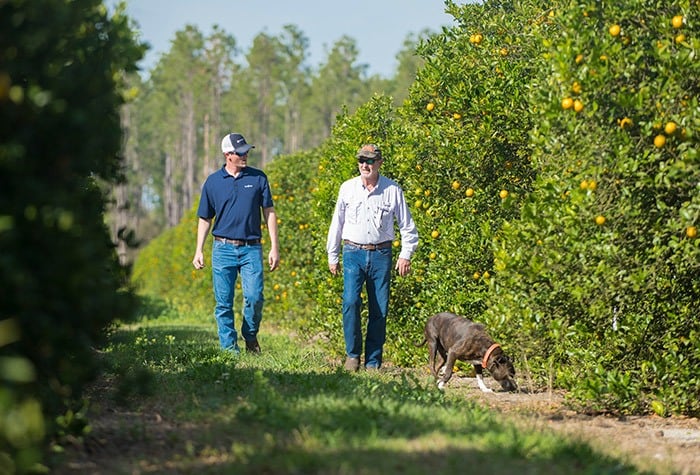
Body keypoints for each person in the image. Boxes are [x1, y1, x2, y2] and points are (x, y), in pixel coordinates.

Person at [326, 144, 419, 371]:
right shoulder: (347, 188)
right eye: (361, 161)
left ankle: (373, 361)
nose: (364, 165)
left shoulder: (392, 190)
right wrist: (333, 254)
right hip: (352, 253)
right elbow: (336, 223)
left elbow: (408, 227)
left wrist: (405, 255)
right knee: (350, 302)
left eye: (369, 161)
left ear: (379, 163)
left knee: (380, 309)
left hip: (381, 254)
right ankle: (352, 355)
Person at [192, 132, 280, 354]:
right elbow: (205, 219)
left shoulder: (258, 178)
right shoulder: (212, 182)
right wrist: (199, 250)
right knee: (223, 303)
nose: (245, 155)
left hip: (252, 248)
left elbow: (269, 212)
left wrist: (274, 246)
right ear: (227, 154)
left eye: (246, 151)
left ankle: (250, 336)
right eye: (240, 152)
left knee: (255, 297)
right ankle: (230, 350)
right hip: (222, 249)